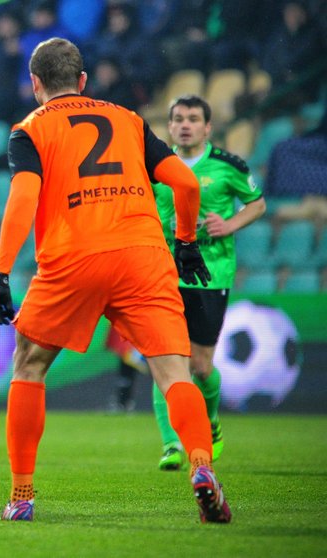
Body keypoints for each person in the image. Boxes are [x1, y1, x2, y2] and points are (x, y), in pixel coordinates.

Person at [0, 38, 231, 523]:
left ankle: (22, 496)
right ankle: (202, 467)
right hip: (144, 255)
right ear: (83, 81)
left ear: (35, 85)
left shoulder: (30, 130)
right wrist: (185, 242)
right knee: (174, 373)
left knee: (30, 366)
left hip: (73, 258)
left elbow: (24, 199)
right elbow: (185, 182)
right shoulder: (129, 120)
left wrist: (0, 272)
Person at [153, 95, 266, 471]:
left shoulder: (226, 166)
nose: (185, 124)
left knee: (201, 366)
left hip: (210, 273)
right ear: (169, 127)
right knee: (165, 357)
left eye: (193, 119)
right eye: (179, 119)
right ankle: (172, 444)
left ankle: (212, 422)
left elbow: (257, 203)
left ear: (207, 127)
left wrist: (229, 224)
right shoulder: (153, 166)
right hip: (163, 271)